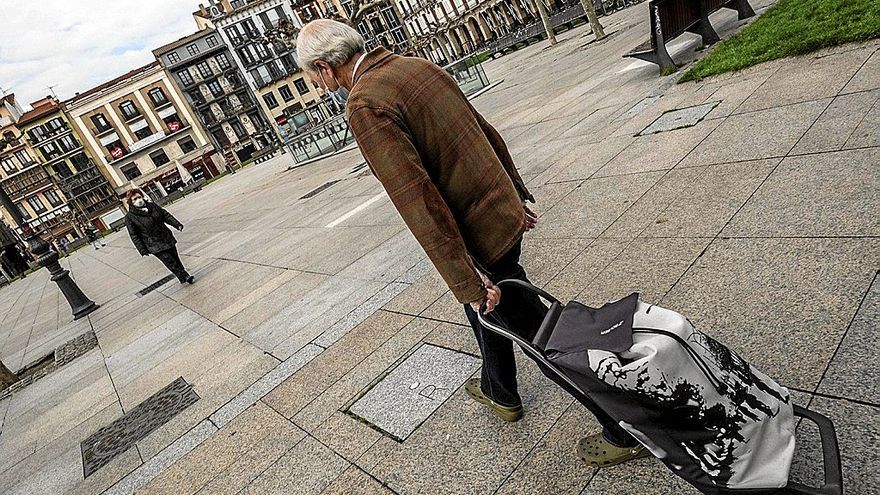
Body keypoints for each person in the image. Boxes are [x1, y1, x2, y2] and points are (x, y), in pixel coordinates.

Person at [296, 20, 648, 467]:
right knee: (491, 311)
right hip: (499, 213)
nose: (318, 84)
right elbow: (485, 131)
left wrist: (468, 275)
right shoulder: (415, 65)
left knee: (537, 333)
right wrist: (515, 193)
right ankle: (499, 390)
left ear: (326, 69)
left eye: (313, 77)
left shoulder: (365, 103)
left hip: (477, 239)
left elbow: (417, 200)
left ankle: (622, 426)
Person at [124, 190, 194, 284]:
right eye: (135, 199)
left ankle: (182, 277)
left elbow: (166, 215)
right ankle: (185, 276)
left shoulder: (152, 206)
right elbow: (134, 235)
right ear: (131, 202)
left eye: (139, 197)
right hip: (153, 244)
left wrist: (177, 225)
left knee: (175, 258)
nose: (138, 200)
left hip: (166, 237)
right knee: (169, 261)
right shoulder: (130, 217)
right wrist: (142, 249)